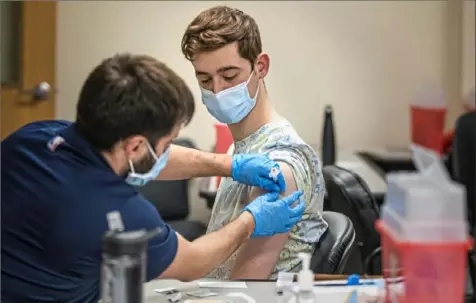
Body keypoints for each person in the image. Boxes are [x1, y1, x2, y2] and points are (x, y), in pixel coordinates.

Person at [0, 54, 306, 302]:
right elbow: (194, 262)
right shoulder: (117, 214)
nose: (166, 151)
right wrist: (251, 221)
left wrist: (230, 165)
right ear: (134, 146)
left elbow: (149, 159)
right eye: (166, 142)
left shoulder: (34, 137)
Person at [181, 5, 328, 280]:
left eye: (229, 75)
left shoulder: (278, 167)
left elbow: (244, 288)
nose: (217, 90)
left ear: (260, 67)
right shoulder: (239, 150)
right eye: (204, 79)